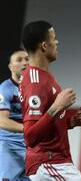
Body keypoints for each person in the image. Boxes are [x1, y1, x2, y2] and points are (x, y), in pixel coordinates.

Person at [19, 20, 81, 180]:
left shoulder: (44, 77)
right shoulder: (35, 82)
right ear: (44, 46)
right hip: (48, 162)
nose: (57, 42)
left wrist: (71, 122)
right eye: (54, 38)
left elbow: (47, 126)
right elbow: (30, 137)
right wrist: (57, 107)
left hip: (55, 161)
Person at [0, 49, 30, 180]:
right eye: (19, 60)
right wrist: (29, 129)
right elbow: (1, 120)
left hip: (30, 148)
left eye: (27, 59)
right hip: (9, 147)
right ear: (10, 66)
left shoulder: (36, 90)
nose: (25, 63)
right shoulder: (5, 89)